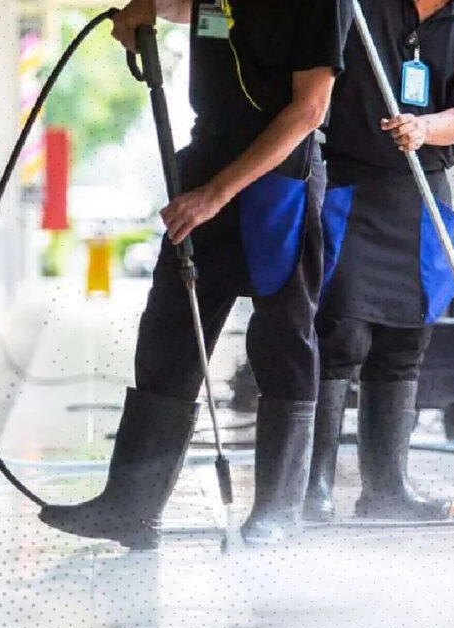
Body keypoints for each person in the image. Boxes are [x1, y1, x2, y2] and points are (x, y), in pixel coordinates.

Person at [39, 0, 352, 547]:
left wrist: (217, 193)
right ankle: (130, 507)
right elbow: (189, 7)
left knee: (283, 340)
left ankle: (279, 511)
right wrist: (145, 7)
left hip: (278, 176)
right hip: (208, 159)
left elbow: (310, 110)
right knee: (170, 333)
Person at [304, 0, 454, 522]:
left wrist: (425, 127)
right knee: (340, 334)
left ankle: (386, 490)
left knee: (405, 341)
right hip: (351, 185)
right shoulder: (357, 7)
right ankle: (312, 488)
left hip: (421, 192)